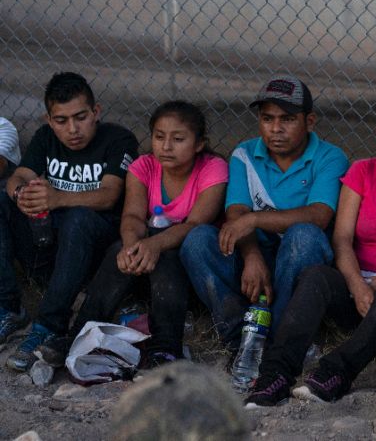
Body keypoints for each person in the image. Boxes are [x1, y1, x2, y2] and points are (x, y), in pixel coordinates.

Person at [244, 95, 376, 407]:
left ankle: (335, 373)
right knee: (316, 277)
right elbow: (341, 239)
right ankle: (274, 375)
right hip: (355, 282)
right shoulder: (362, 172)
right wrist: (356, 284)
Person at [39, 101, 228, 368]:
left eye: (178, 139)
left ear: (199, 144)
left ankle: (166, 346)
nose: (166, 146)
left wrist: (153, 245)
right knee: (121, 247)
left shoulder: (213, 168)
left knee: (168, 255)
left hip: (188, 271)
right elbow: (133, 217)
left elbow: (196, 223)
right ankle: (79, 334)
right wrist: (130, 246)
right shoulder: (143, 166)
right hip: (144, 268)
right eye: (159, 137)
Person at [180, 76, 349, 349]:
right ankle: (238, 337)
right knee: (197, 240)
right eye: (267, 119)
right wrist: (252, 256)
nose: (275, 129)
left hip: (301, 262)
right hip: (255, 256)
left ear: (310, 122)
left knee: (303, 235)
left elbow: (319, 215)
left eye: (288, 119)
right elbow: (236, 213)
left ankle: (280, 338)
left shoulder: (331, 157)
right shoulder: (244, 154)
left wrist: (255, 219)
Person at [0, 72, 139, 371]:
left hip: (94, 245)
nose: (72, 129)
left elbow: (109, 196)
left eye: (81, 117)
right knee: (1, 199)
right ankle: (9, 308)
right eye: (61, 120)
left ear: (96, 112)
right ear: (49, 120)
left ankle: (49, 325)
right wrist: (21, 194)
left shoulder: (118, 139)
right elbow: (20, 176)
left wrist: (56, 198)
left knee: (78, 218)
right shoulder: (45, 137)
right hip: (50, 242)